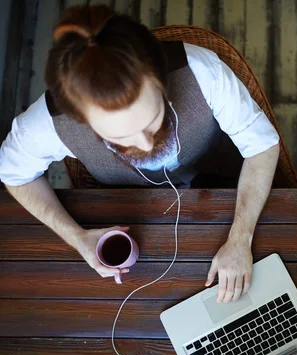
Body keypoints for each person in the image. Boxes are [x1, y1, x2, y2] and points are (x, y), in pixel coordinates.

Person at [0, 6, 281, 303]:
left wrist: (240, 239)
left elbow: (262, 147)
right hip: (134, 217)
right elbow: (13, 175)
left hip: (226, 189)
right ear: (81, 119)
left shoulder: (201, 71)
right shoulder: (46, 123)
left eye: (152, 120)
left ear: (159, 79)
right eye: (120, 137)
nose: (146, 145)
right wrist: (77, 238)